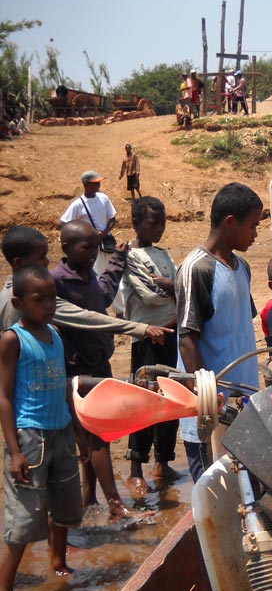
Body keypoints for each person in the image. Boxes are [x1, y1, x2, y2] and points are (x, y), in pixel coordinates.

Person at [0, 265, 84, 591]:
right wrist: (15, 451)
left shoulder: (55, 333)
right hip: (30, 437)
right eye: (39, 300)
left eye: (52, 297)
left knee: (64, 506)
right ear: (19, 302)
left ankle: (58, 561)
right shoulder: (12, 339)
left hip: (61, 430)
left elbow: (65, 383)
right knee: (23, 516)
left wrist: (77, 427)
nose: (48, 305)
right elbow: (3, 396)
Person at [52, 221, 147, 519]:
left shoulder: (86, 274)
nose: (93, 253)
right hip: (77, 370)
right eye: (86, 247)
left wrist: (117, 259)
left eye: (95, 246)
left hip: (98, 364)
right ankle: (115, 504)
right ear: (66, 249)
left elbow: (103, 296)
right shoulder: (57, 281)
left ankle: (89, 498)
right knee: (97, 437)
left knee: (89, 439)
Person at [176, 182, 260, 483]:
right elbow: (187, 338)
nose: (255, 235)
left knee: (247, 495)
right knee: (213, 497)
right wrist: (207, 398)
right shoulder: (197, 269)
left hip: (245, 402)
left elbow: (239, 329)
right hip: (212, 410)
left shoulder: (242, 267)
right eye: (252, 226)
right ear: (229, 222)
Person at [0, 225, 169, 340]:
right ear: (19, 263)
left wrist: (117, 259)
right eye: (41, 257)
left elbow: (102, 296)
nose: (46, 262)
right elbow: (86, 317)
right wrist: (140, 328)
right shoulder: (37, 295)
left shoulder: (7, 294)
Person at [120, 197, 181, 496]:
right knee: (143, 400)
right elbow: (151, 295)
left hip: (170, 333)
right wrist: (173, 285)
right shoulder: (130, 256)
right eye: (152, 222)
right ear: (135, 223)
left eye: (162, 222)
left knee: (171, 398)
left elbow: (175, 287)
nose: (158, 228)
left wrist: (171, 284)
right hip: (146, 337)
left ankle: (163, 461)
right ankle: (135, 468)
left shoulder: (163, 254)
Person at [59, 171, 117, 279]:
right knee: (94, 274)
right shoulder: (78, 204)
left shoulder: (104, 198)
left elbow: (113, 219)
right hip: (90, 247)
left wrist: (104, 233)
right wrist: (80, 238)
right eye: (95, 183)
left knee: (109, 273)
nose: (98, 185)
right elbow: (63, 224)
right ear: (86, 185)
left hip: (105, 245)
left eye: (99, 182)